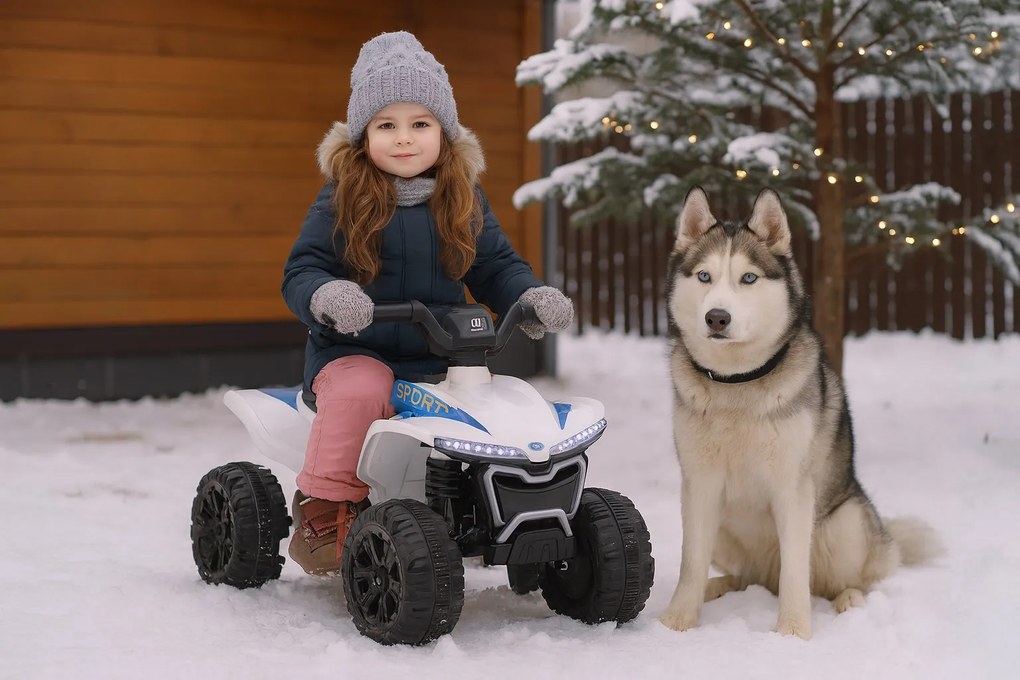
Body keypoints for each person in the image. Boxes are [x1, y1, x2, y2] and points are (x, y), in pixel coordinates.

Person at [281, 31, 574, 576]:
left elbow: (495, 266)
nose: (404, 139)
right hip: (355, 349)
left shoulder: (463, 197)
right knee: (362, 390)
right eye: (386, 125)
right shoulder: (342, 197)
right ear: (363, 134)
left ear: (444, 132)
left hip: (444, 355)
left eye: (420, 124)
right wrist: (328, 294)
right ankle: (325, 504)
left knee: (498, 407)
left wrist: (529, 297)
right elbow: (303, 270)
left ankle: (504, 505)